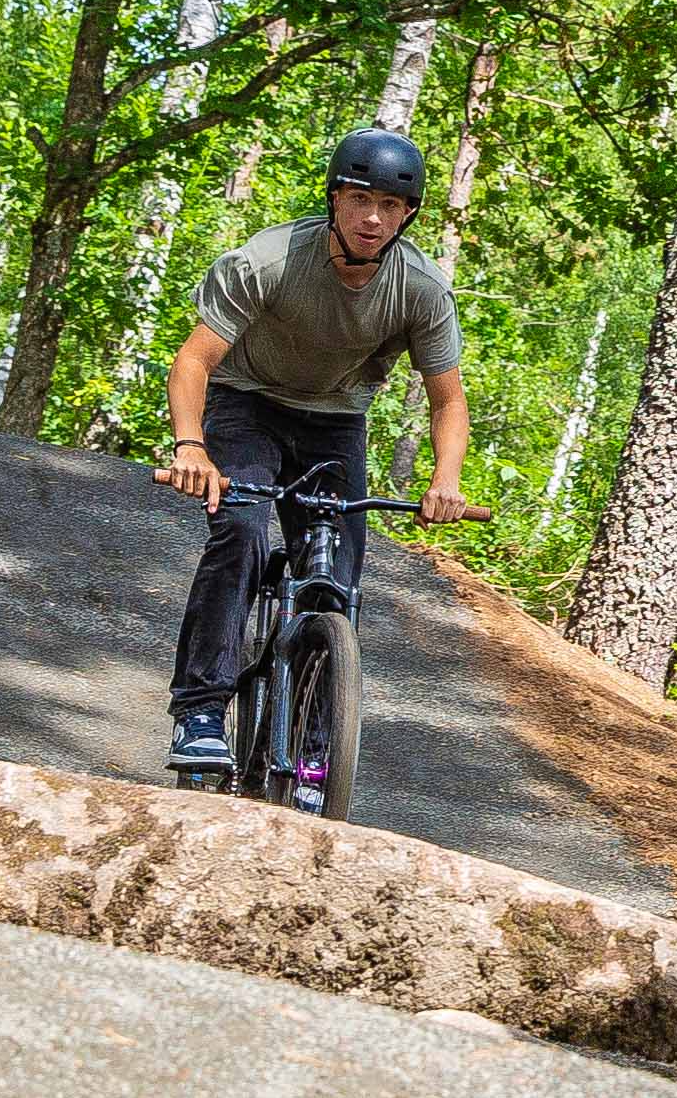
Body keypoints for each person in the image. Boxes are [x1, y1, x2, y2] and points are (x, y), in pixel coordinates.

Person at [164, 125, 489, 783]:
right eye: (360, 200)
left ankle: (316, 742)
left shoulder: (419, 288)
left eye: (391, 207)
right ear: (335, 199)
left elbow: (448, 401)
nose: (373, 218)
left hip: (335, 422)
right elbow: (194, 361)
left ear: (408, 215)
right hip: (246, 404)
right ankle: (200, 712)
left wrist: (446, 479)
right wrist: (191, 444)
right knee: (242, 532)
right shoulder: (271, 260)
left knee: (337, 579)